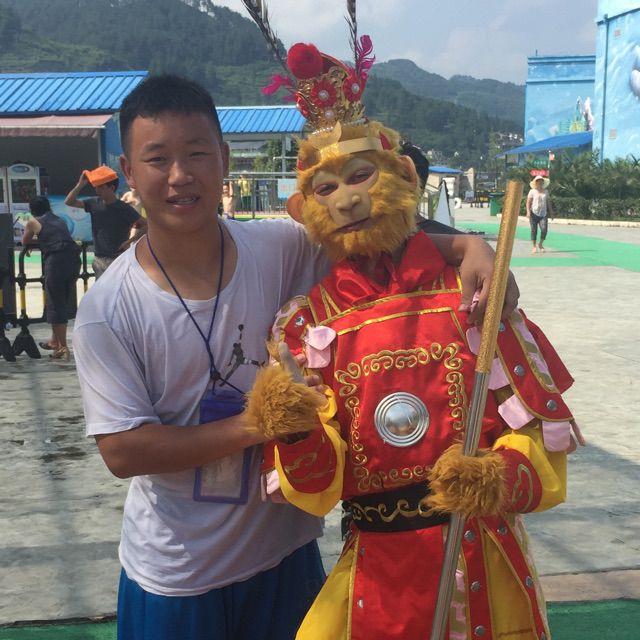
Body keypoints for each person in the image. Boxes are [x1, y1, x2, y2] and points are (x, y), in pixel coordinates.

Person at [72, 73, 520, 640]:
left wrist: (470, 247)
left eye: (197, 154)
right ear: (129, 171)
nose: (180, 175)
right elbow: (122, 450)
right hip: (178, 572)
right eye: (158, 159)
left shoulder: (278, 246)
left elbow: (371, 236)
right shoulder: (109, 309)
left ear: (224, 159)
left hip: (285, 556)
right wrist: (259, 424)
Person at [244, 38, 581, 640]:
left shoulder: (473, 294)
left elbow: (540, 441)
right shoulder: (308, 326)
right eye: (326, 188)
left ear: (401, 176)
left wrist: (497, 475)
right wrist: (295, 431)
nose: (348, 198)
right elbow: (319, 489)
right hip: (378, 572)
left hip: (482, 564)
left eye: (360, 175)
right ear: (303, 209)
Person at [22, 195, 80, 360]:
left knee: (55, 303)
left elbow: (25, 241)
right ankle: (55, 341)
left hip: (56, 261)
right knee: (63, 300)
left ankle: (63, 347)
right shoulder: (58, 219)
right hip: (74, 259)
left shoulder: (33, 222)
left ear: (32, 210)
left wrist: (33, 243)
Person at [64, 165, 146, 278]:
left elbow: (146, 226)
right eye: (96, 187)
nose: (97, 190)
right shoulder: (94, 203)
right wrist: (80, 184)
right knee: (101, 288)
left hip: (117, 258)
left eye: (100, 187)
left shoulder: (123, 208)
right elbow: (69, 202)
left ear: (111, 188)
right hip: (98, 258)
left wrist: (129, 242)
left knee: (117, 288)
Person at [526, 175, 554, 253]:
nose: (540, 183)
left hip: (543, 214)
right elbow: (528, 202)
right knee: (534, 230)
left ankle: (540, 244)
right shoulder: (532, 191)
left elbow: (548, 202)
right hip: (533, 214)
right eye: (538, 181)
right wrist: (528, 211)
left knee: (544, 229)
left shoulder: (546, 191)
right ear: (536, 182)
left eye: (541, 181)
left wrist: (551, 212)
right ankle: (534, 246)